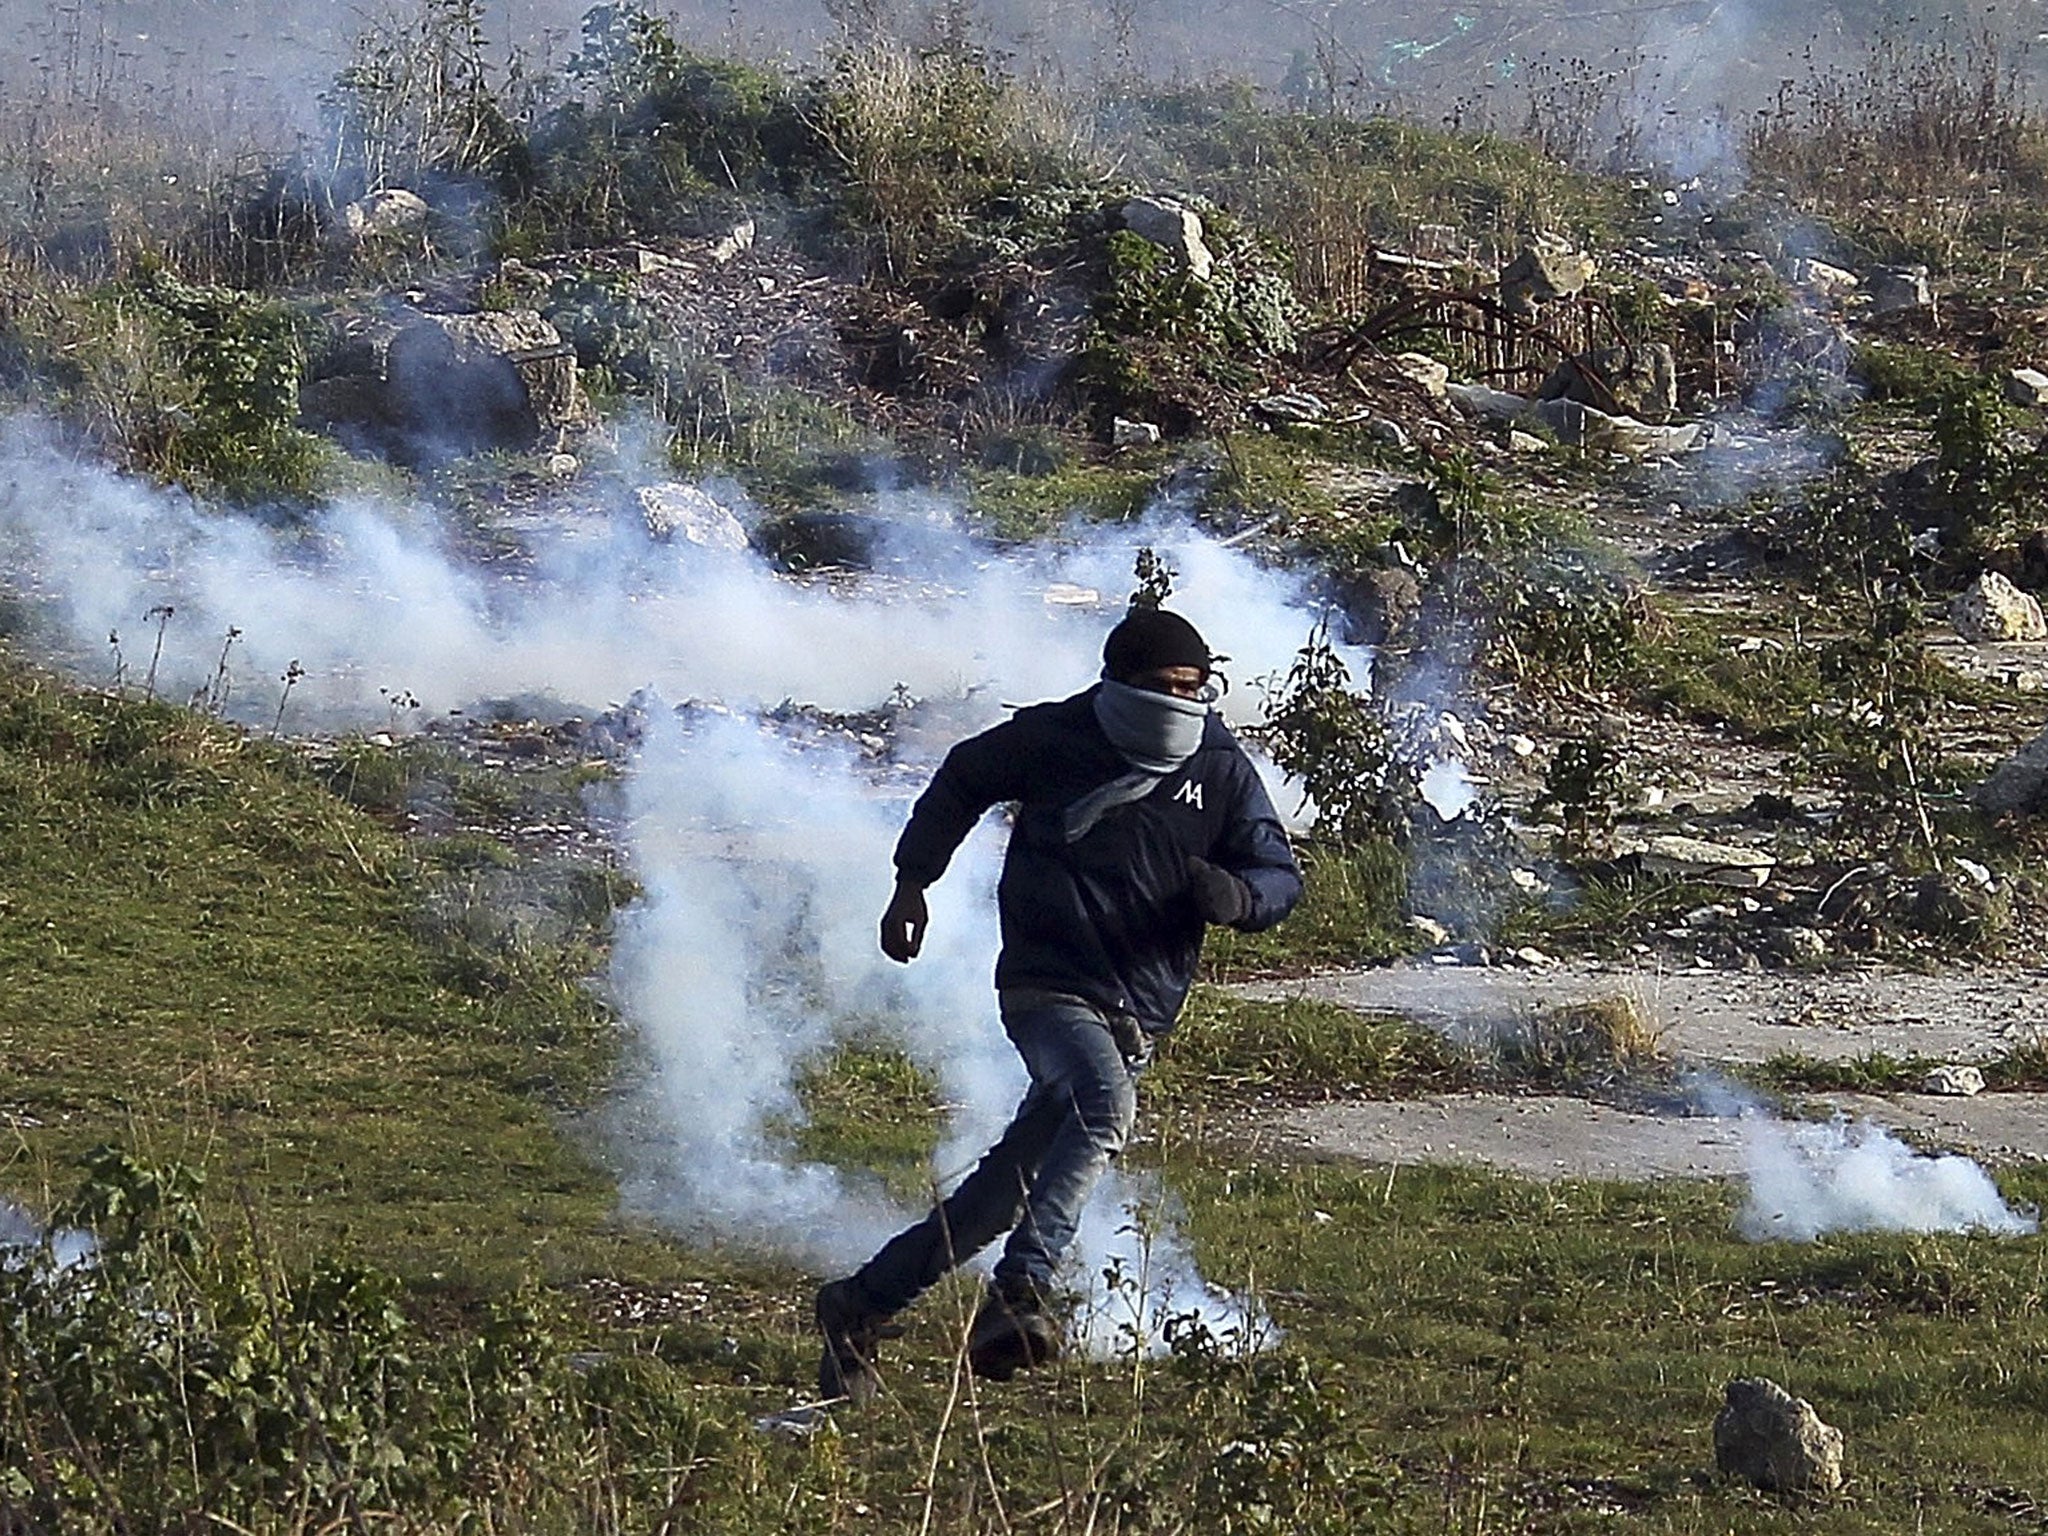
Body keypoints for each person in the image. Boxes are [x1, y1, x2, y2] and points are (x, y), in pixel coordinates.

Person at [814, 605, 1303, 1402]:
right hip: (1046, 986)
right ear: (1117, 682)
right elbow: (963, 778)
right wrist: (914, 881)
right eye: (1163, 688)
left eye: (1196, 688)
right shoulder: (1056, 737)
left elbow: (1279, 874)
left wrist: (1240, 897)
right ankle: (1022, 1292)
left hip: (1140, 1010)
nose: (1182, 703)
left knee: (996, 1196)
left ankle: (858, 1305)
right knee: (1105, 1106)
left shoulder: (1217, 764)